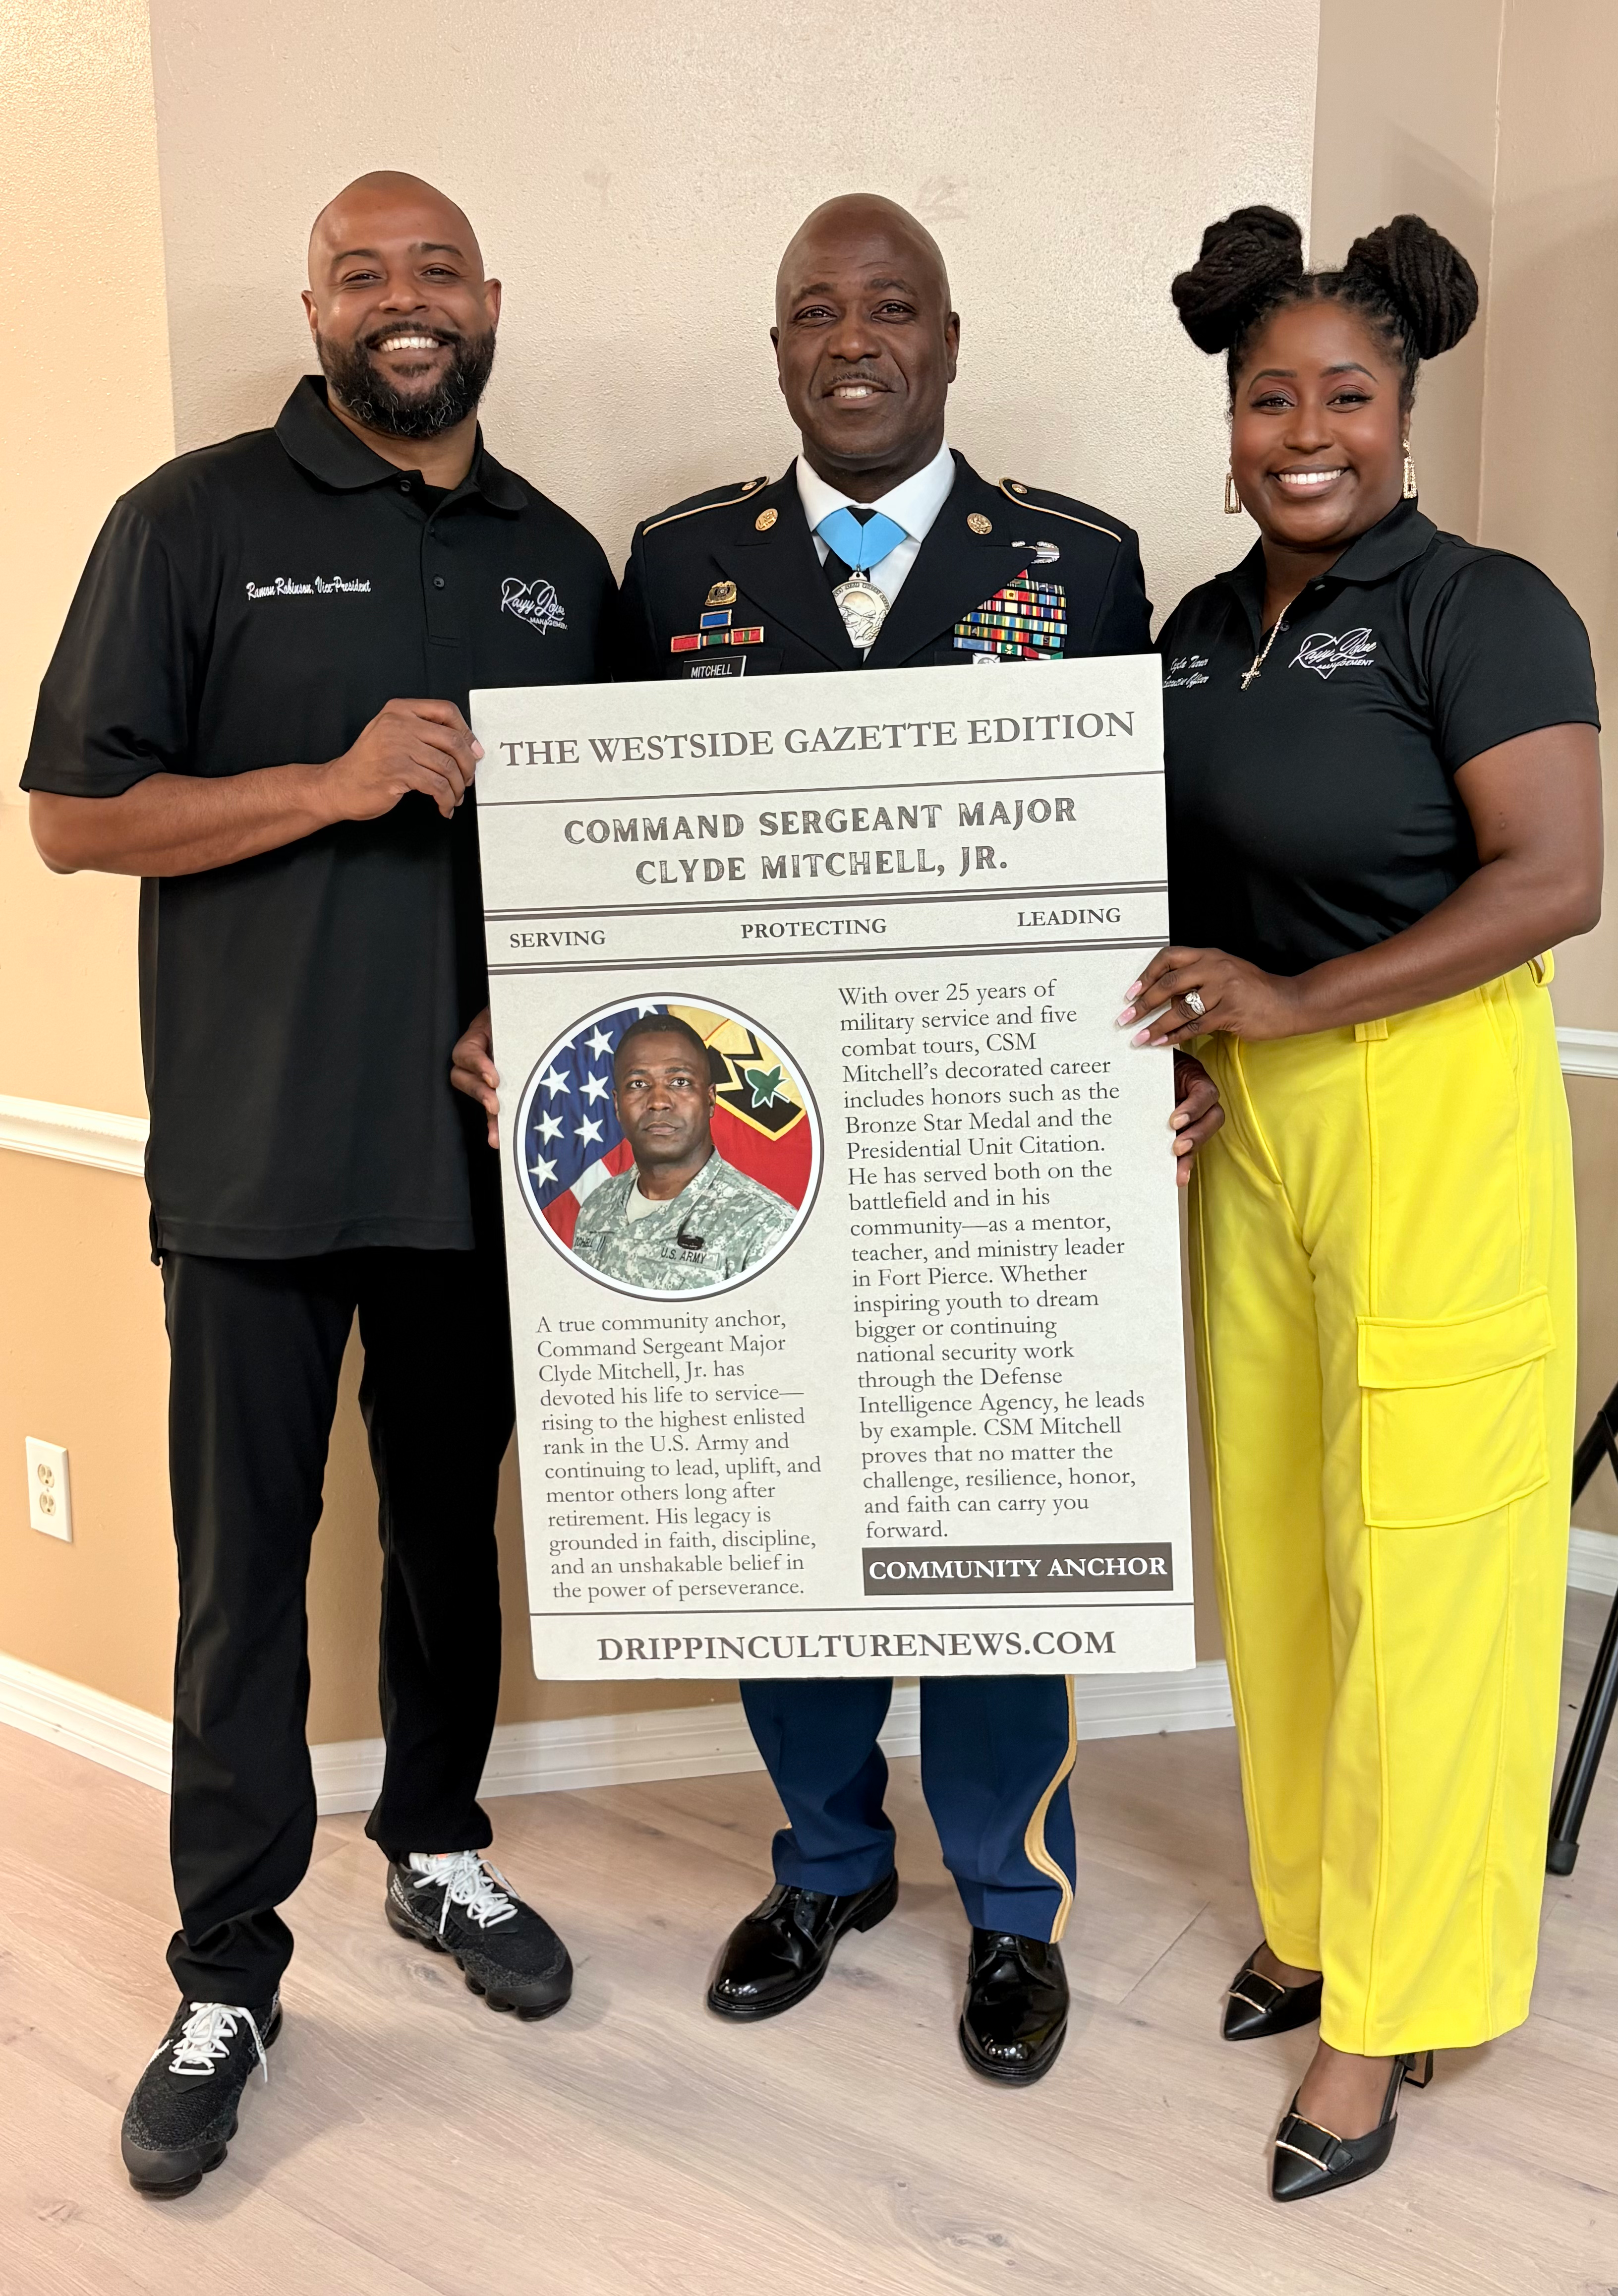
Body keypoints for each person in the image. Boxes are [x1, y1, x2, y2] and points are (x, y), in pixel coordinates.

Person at [463, 190, 1220, 2086]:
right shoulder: (677, 568)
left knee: (987, 1547)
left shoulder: (1079, 563)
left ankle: (1012, 1905)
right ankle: (824, 1868)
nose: (854, 340)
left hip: (990, 1156)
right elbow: (613, 868)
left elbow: (1138, 867)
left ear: (949, 340)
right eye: (816, 312)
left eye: (891, 308)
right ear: (780, 351)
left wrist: (1165, 1060)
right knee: (775, 1528)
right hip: (757, 1159)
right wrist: (537, 1023)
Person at [23, 172, 616, 2197]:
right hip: (258, 1157)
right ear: (316, 305)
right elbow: (76, 818)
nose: (404, 301)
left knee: (452, 1537)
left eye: (438, 267)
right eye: (364, 273)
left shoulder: (559, 561)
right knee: (242, 1583)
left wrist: (533, 1018)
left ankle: (437, 1849)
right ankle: (225, 1967)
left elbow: (620, 867)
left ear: (491, 296)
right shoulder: (191, 521)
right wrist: (339, 781)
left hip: (482, 1164)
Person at [1126, 206, 1602, 2199]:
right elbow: (1176, 906)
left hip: (1431, 1111)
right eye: (1269, 394)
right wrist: (1172, 1050)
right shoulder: (1189, 630)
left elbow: (1555, 878)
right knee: (1291, 1548)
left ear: (1405, 411)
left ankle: (1391, 2005)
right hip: (1261, 1131)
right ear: (1229, 415)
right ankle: (1320, 1908)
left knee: (1427, 1571)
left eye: (1346, 392)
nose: (1304, 427)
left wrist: (1308, 997)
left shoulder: (1480, 605)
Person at [569, 1014, 796, 1291]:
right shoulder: (597, 1207)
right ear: (617, 1105)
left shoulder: (767, 1226)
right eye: (638, 1084)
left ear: (710, 1099)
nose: (659, 1102)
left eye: (680, 1082)